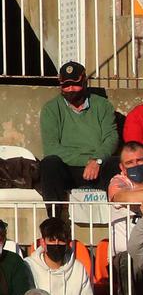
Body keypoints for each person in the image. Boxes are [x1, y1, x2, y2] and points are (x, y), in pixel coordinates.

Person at [37, 62, 120, 203]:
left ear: (84, 82)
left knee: (116, 163)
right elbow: (51, 147)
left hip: (98, 167)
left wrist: (97, 160)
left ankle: (117, 216)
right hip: (68, 168)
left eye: (75, 84)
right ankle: (54, 220)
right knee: (49, 163)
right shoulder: (50, 109)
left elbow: (111, 138)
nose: (70, 89)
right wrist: (88, 161)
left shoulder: (103, 105)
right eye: (66, 85)